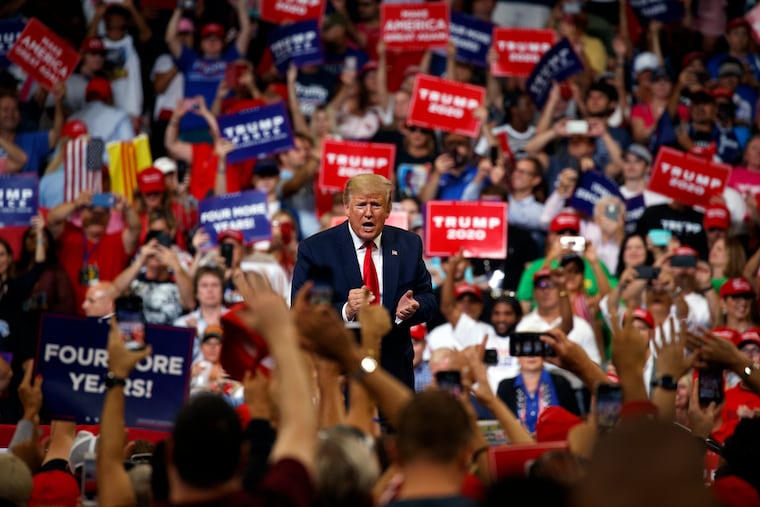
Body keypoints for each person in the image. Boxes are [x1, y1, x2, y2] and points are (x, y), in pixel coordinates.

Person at [291, 174, 435, 388]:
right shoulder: (319, 250)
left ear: (387, 210)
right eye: (361, 205)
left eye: (376, 205)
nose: (368, 213)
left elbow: (429, 300)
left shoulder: (408, 245)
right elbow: (304, 310)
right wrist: (346, 310)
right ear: (346, 207)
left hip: (394, 370)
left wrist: (413, 308)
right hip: (342, 372)